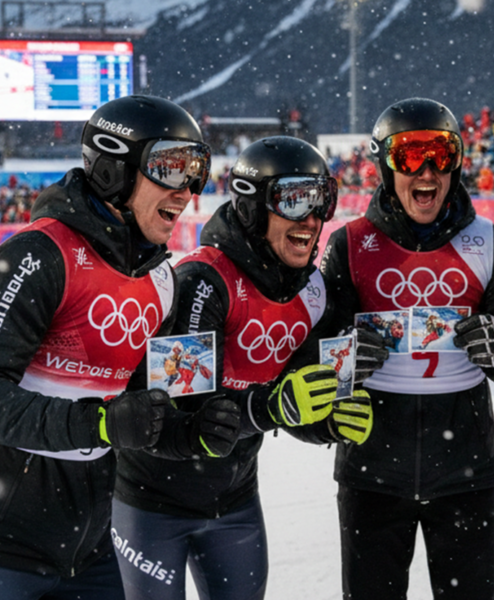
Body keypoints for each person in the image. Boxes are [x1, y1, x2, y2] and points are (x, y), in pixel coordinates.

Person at [0, 95, 240, 600]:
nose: (189, 188)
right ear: (114, 169)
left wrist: (189, 431)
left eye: (197, 169)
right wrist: (100, 423)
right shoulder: (40, 255)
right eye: (171, 167)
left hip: (85, 548)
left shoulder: (161, 280)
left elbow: (141, 412)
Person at [112, 136, 388, 600]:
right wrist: (273, 406)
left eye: (322, 199)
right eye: (294, 199)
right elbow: (182, 410)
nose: (312, 217)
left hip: (235, 500)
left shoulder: (314, 293)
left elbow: (294, 404)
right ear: (252, 208)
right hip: (152, 502)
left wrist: (327, 421)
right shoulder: (204, 280)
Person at [321, 98, 494, 600]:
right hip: (372, 473)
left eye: (441, 155)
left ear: (457, 162)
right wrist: (343, 358)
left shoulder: (491, 241)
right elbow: (312, 351)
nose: (427, 171)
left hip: (464, 471)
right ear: (385, 166)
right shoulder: (349, 244)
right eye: (409, 156)